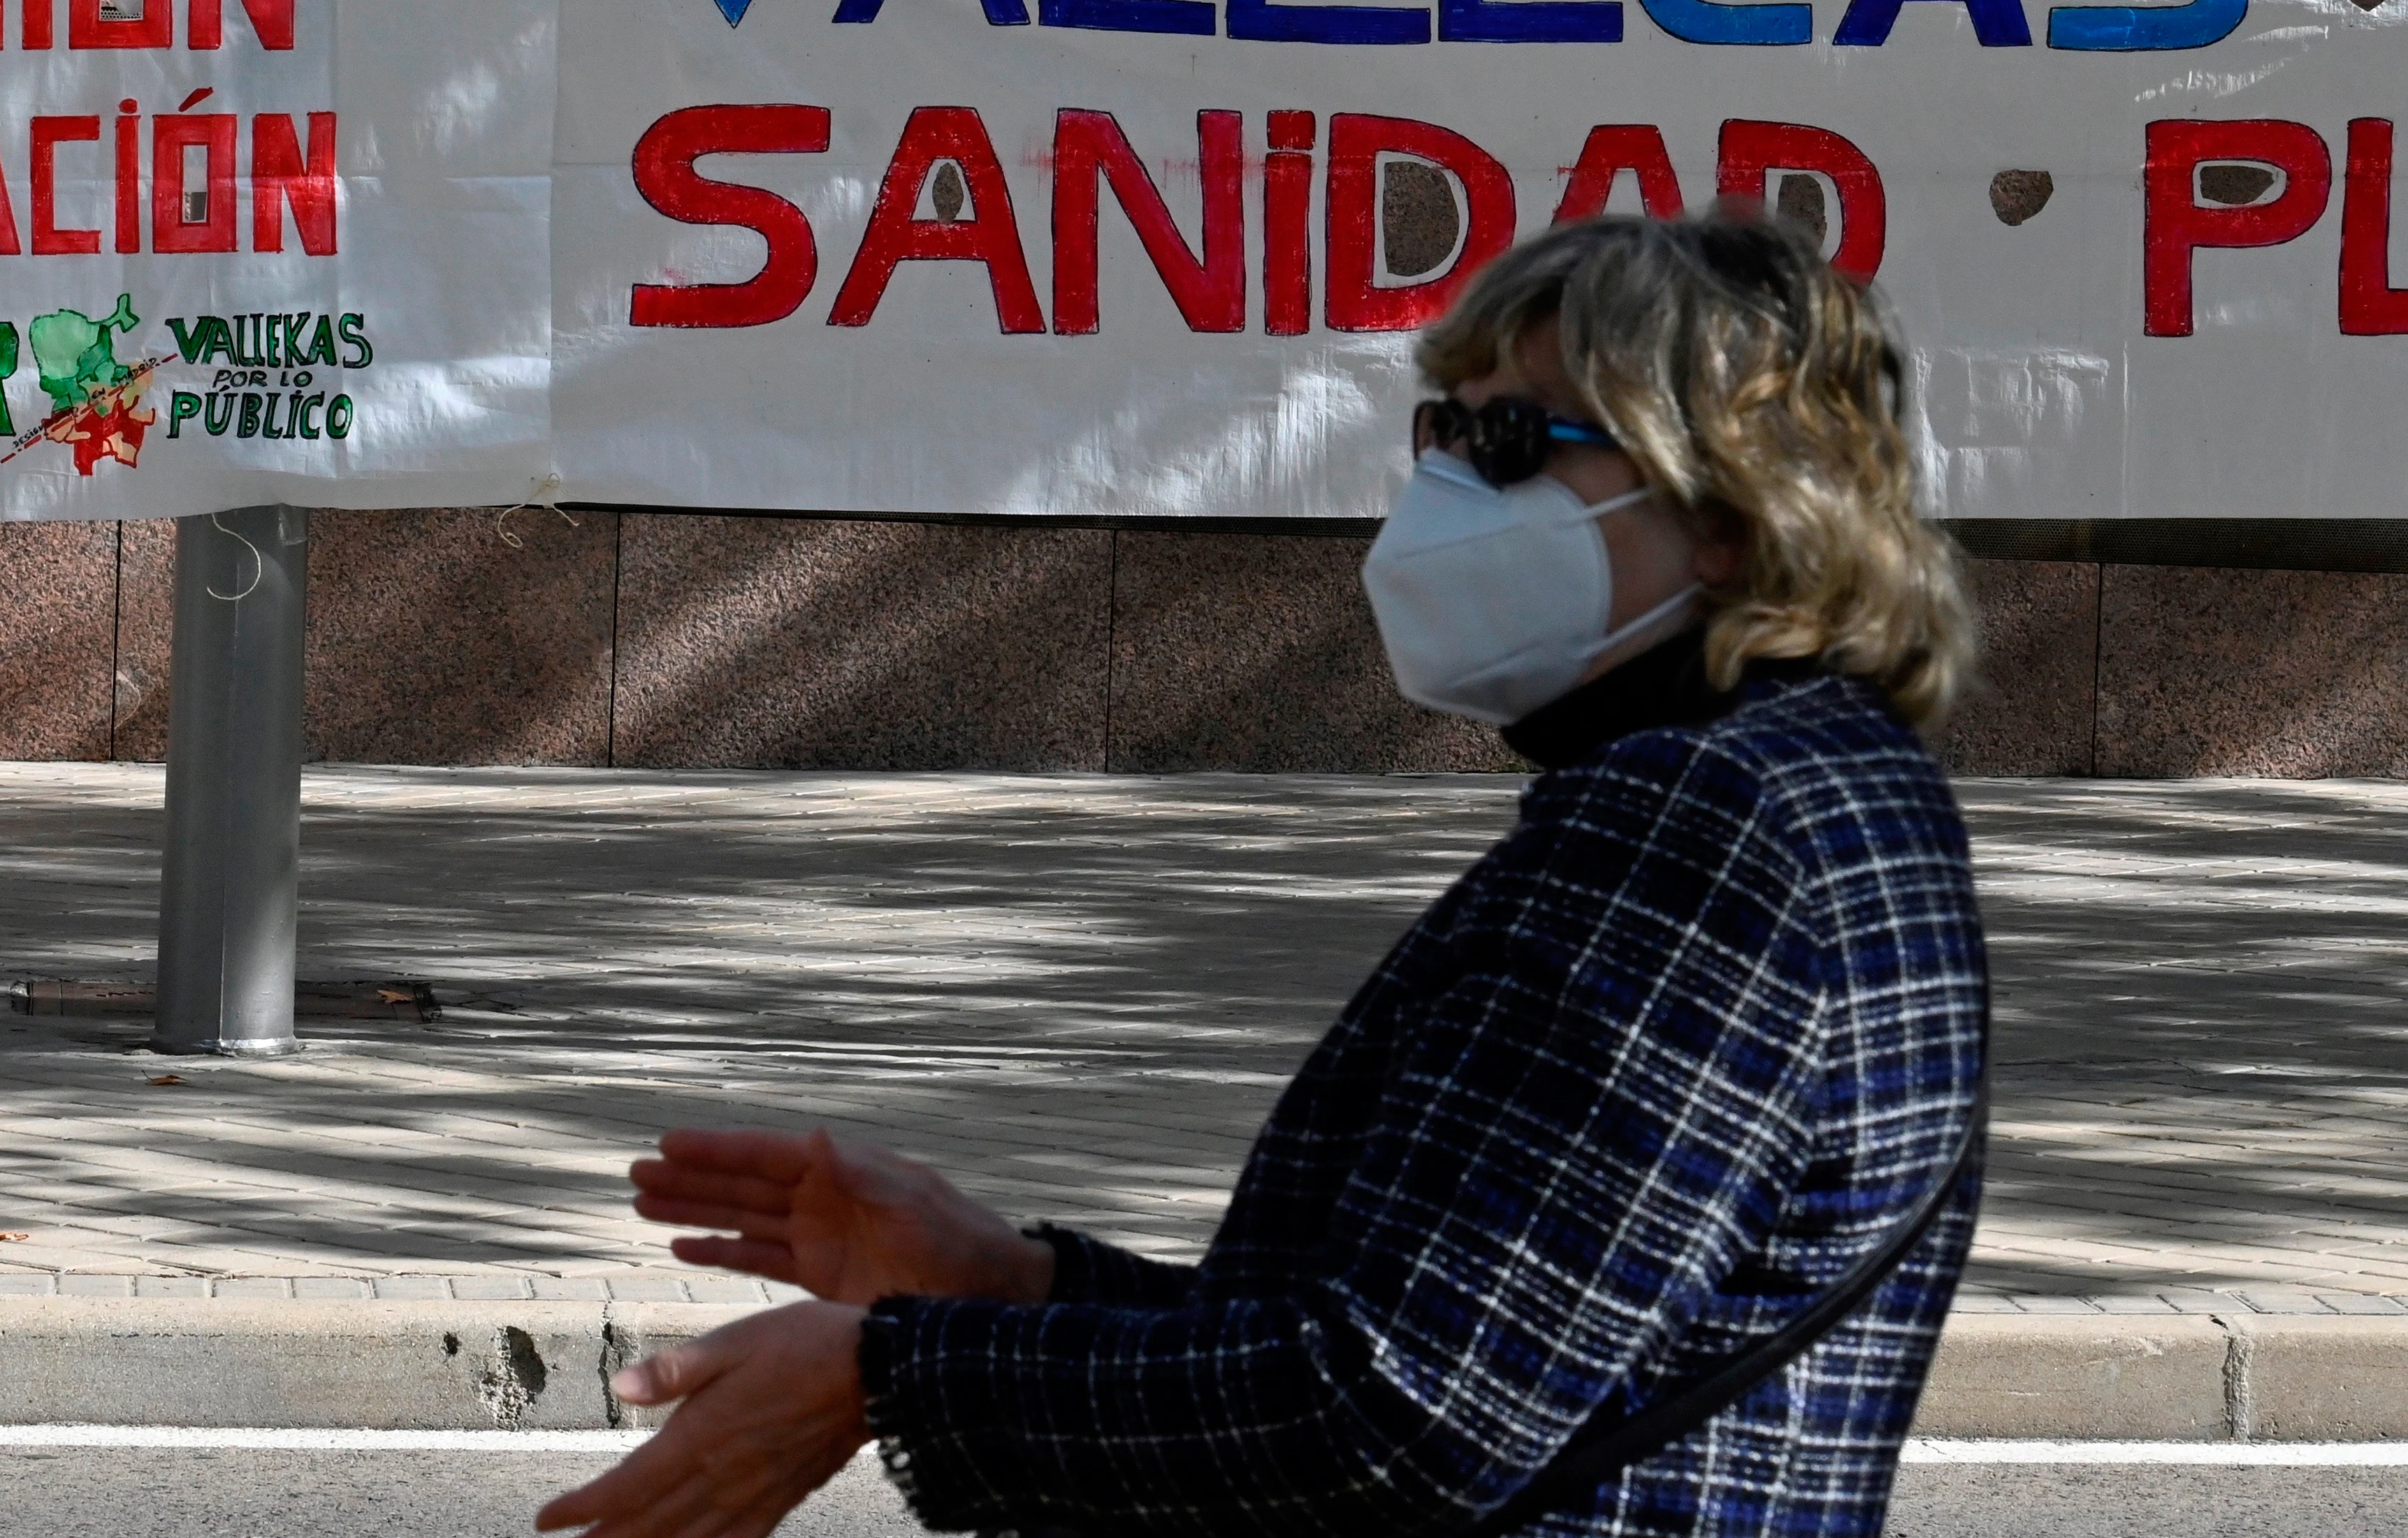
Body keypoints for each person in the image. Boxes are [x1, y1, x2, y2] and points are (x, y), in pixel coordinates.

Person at [538, 214, 1988, 1538]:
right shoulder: (1824, 781)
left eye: (1509, 443)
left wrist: (893, 1370)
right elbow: (1462, 1331)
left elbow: (1403, 1417)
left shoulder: (1697, 827)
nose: (1444, 489)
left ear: (1732, 511)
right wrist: (1020, 1286)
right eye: (1440, 429)